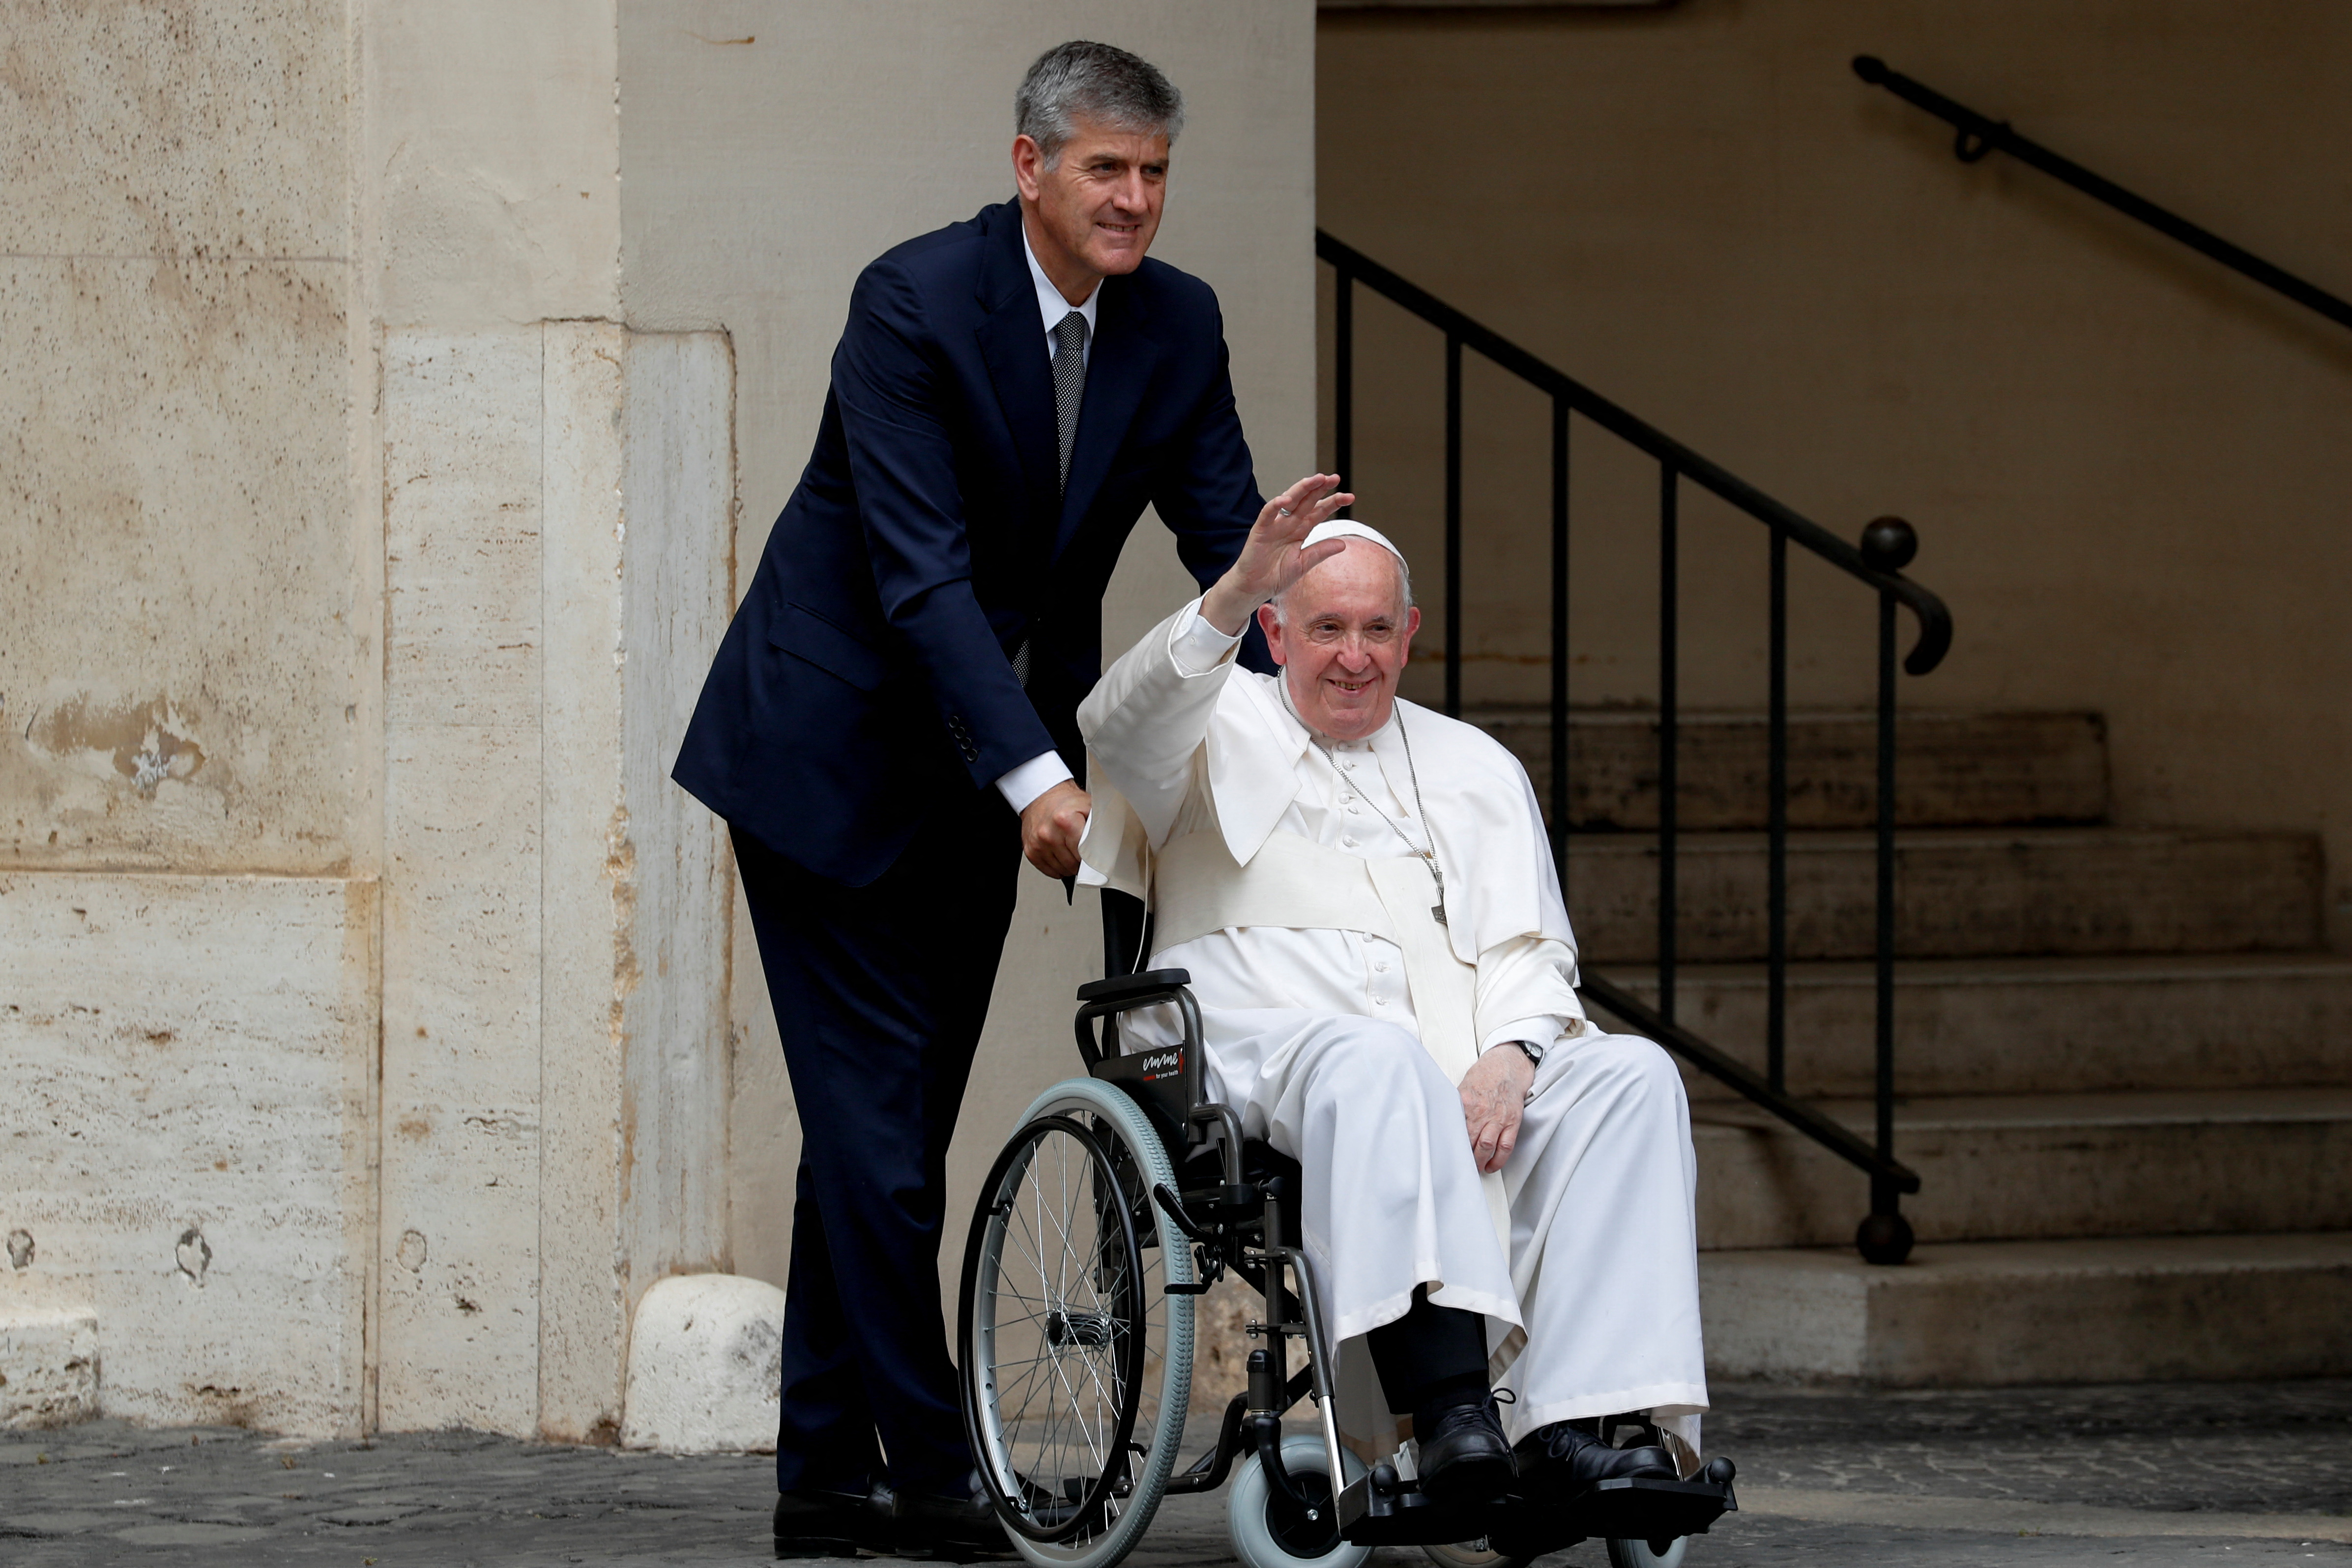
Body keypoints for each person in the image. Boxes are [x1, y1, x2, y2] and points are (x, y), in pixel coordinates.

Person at [672, 41, 1278, 1560]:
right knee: (881, 1144)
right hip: (827, 760)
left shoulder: (1177, 322)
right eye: (1103, 170)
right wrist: (1042, 780)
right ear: (1030, 167)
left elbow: (1233, 548)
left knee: (886, 1132)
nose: (1133, 199)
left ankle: (821, 1472)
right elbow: (920, 577)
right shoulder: (913, 302)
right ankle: (939, 1470)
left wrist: (1326, 707)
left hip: (986, 773)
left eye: (1151, 173)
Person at [1076, 485, 1710, 1506]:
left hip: (1456, 1059)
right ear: (1275, 635)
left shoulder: (1475, 765)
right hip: (1263, 1043)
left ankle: (1587, 1423)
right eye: (1325, 628)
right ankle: (1450, 1410)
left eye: (1376, 629)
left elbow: (1531, 950)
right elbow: (1119, 723)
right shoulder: (1204, 723)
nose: (1353, 655)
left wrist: (1510, 1055)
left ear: (1408, 634)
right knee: (1377, 1060)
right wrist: (1235, 585)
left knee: (1632, 1077)